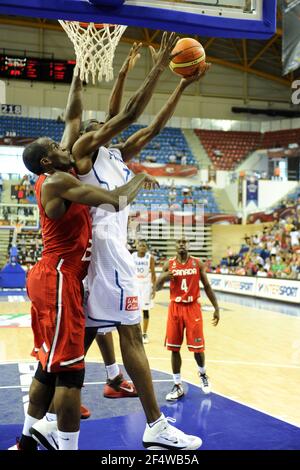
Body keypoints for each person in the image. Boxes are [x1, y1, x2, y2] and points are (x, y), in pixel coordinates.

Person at [28, 33, 207, 451]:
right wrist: (161, 66)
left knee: (68, 357)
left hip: (94, 265)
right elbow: (121, 113)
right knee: (131, 337)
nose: (98, 125)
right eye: (96, 126)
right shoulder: (82, 152)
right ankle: (156, 426)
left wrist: (181, 82)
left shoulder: (114, 154)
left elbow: (151, 123)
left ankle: (38, 426)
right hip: (107, 260)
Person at [12, 138, 158, 451]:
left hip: (56, 278)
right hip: (60, 278)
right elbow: (116, 200)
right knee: (70, 374)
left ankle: (26, 442)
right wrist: (139, 177)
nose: (64, 145)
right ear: (47, 162)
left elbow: (72, 122)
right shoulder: (60, 180)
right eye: (55, 146)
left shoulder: (51, 176)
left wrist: (77, 84)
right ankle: (60, 440)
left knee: (50, 370)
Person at [156, 238, 220, 401]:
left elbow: (206, 286)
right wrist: (164, 276)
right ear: (175, 246)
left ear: (189, 246)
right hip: (175, 309)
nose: (182, 244)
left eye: (185, 242)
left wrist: (216, 307)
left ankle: (203, 374)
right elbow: (156, 287)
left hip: (192, 308)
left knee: (198, 348)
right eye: (179, 242)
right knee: (174, 348)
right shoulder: (168, 264)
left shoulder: (197, 264)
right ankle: (177, 385)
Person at [132, 239, 156, 344]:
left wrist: (154, 288)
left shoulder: (150, 258)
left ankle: (144, 333)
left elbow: (154, 274)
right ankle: (134, 333)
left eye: (144, 246)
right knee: (133, 310)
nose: (142, 247)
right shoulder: (132, 256)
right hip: (135, 284)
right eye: (140, 245)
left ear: (146, 248)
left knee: (145, 310)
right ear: (137, 246)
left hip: (146, 285)